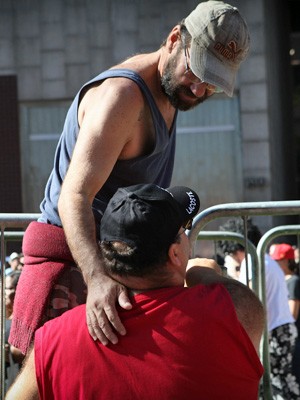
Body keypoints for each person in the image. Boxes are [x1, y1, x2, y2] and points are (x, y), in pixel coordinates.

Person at [10, 1, 250, 354]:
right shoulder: (122, 97)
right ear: (173, 39)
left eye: (212, 84)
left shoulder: (172, 91)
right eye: (197, 71)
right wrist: (96, 279)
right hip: (72, 264)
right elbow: (73, 197)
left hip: (111, 266)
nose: (199, 90)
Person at [6, 183, 264, 400]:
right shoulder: (233, 312)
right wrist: (199, 271)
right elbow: (234, 295)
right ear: (175, 254)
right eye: (183, 231)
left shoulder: (51, 341)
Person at [217, 219, 300, 399]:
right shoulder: (265, 259)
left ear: (234, 249)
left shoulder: (251, 262)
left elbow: (246, 299)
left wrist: (232, 275)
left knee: (275, 385)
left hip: (274, 331)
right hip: (281, 328)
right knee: (282, 382)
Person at [269, 243, 300, 386]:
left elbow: (292, 313)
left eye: (278, 260)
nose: (274, 264)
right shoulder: (282, 280)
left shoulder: (293, 281)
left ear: (287, 261)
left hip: (288, 335)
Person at [5, 271, 24, 393]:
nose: (4, 293)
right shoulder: (4, 318)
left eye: (7, 288)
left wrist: (10, 353)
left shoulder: (22, 323)